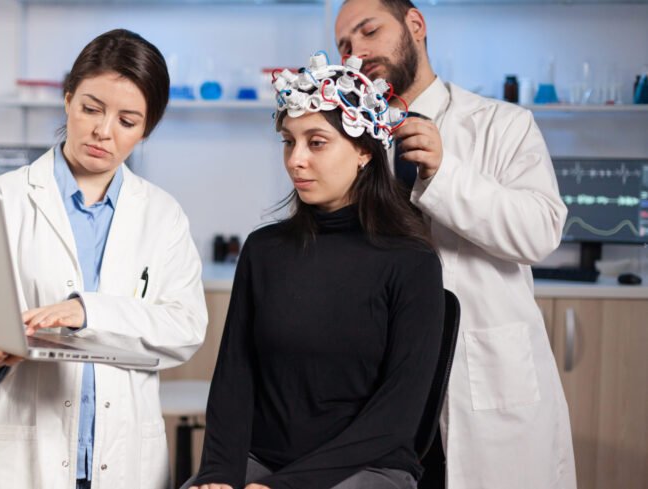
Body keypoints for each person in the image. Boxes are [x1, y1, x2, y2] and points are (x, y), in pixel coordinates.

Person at [0, 29, 208, 489]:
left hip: (127, 462)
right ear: (67, 100)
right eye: (91, 109)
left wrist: (89, 312)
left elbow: (185, 330)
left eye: (127, 121)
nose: (104, 131)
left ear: (146, 129)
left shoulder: (162, 216)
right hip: (21, 461)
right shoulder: (2, 199)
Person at [335, 2, 576, 488]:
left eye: (368, 31)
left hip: (483, 383)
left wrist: (446, 174)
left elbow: (540, 231)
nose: (357, 52)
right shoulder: (353, 142)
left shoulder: (502, 125)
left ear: (416, 26)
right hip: (385, 391)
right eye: (344, 46)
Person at [185, 54, 444, 489]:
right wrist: (217, 474)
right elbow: (235, 378)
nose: (295, 160)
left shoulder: (412, 262)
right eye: (289, 141)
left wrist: (284, 487)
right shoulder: (264, 250)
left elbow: (396, 418)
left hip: (369, 466)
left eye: (316, 142)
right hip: (263, 462)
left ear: (364, 150)